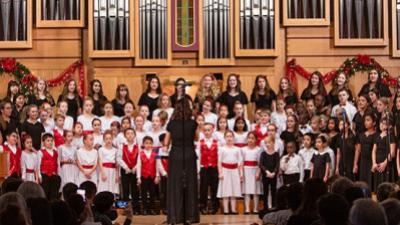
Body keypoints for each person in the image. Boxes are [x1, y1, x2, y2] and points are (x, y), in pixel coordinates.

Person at [164, 98, 199, 224]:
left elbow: (166, 142)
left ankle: (175, 216)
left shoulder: (172, 123)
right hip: (189, 153)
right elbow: (196, 137)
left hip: (176, 154)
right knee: (190, 184)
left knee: (175, 185)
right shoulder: (193, 123)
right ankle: (191, 216)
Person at [216, 130, 243, 215]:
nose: (229, 138)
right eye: (227, 136)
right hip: (225, 170)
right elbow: (219, 162)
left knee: (234, 191)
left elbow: (240, 162)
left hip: (234, 171)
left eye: (231, 136)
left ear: (233, 138)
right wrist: (220, 172)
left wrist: (241, 173)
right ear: (224, 138)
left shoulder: (238, 149)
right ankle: (226, 210)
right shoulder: (222, 149)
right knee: (225, 191)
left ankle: (234, 209)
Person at [197, 123, 220, 214]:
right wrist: (199, 169)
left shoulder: (217, 143)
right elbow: (198, 156)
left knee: (214, 187)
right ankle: (203, 206)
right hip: (204, 167)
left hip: (214, 167)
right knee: (203, 188)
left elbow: (219, 156)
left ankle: (214, 206)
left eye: (208, 130)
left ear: (212, 130)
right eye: (205, 130)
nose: (207, 132)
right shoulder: (200, 143)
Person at [117, 127, 140, 214]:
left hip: (134, 170)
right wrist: (126, 167)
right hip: (125, 170)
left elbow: (139, 158)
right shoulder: (122, 145)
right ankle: (126, 210)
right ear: (125, 135)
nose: (130, 135)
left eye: (132, 133)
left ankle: (136, 209)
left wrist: (135, 167)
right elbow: (119, 158)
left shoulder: (137, 146)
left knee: (135, 190)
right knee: (125, 190)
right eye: (128, 133)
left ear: (134, 135)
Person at [137, 136, 160, 215]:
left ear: (152, 144)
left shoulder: (155, 154)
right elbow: (139, 166)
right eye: (146, 143)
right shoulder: (140, 154)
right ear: (143, 144)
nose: (148, 145)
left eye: (150, 143)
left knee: (152, 193)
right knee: (143, 194)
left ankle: (152, 209)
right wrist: (138, 177)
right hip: (144, 176)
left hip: (152, 176)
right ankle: (145, 209)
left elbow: (157, 165)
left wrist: (157, 176)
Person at [372, 118, 396, 191]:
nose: (381, 125)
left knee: (386, 185)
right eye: (381, 123)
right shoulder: (377, 136)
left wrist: (385, 163)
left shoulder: (390, 136)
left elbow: (392, 152)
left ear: (390, 126)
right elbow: (374, 151)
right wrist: (374, 163)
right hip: (378, 163)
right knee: (378, 185)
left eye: (384, 123)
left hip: (387, 163)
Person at [241, 132, 262, 214]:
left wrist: (258, 173)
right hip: (246, 170)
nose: (251, 140)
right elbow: (241, 162)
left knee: (256, 190)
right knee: (247, 191)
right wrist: (242, 173)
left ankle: (256, 209)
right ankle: (246, 209)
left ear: (256, 140)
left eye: (253, 138)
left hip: (255, 170)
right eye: (249, 138)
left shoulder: (259, 149)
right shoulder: (243, 149)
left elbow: (260, 162)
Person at [354, 113, 376, 188]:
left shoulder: (377, 135)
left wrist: (374, 163)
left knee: (372, 182)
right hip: (362, 161)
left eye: (368, 120)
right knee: (362, 182)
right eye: (365, 120)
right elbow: (358, 150)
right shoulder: (361, 135)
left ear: (374, 122)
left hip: (372, 161)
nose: (366, 122)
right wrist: (355, 164)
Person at [38, 133, 61, 200]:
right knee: (45, 193)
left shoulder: (55, 152)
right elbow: (38, 165)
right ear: (43, 142)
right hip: (44, 175)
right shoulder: (41, 152)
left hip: (54, 175)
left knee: (54, 194)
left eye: (51, 141)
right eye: (48, 141)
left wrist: (58, 174)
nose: (50, 142)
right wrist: (39, 176)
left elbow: (58, 164)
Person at [259, 135, 280, 209]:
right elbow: (261, 164)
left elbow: (277, 165)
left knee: (273, 191)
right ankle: (265, 207)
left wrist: (274, 172)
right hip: (265, 175)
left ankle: (273, 206)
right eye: (266, 143)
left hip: (273, 175)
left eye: (269, 142)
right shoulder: (263, 154)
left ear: (273, 143)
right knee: (265, 191)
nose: (267, 144)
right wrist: (267, 172)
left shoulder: (276, 154)